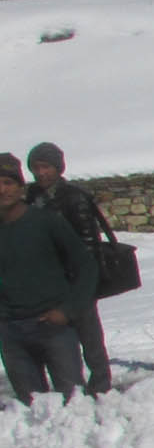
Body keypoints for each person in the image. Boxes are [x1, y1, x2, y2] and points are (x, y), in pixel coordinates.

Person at [0, 152, 97, 402]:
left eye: (8, 183)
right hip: (11, 333)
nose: (2, 190)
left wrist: (68, 310)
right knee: (32, 413)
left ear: (21, 187)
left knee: (73, 404)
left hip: (53, 326)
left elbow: (86, 265)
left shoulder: (46, 221)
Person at [23, 142, 114, 393]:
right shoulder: (31, 198)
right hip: (49, 282)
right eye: (35, 167)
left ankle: (101, 385)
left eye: (46, 167)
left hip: (77, 281)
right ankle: (71, 387)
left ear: (58, 168)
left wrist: (83, 280)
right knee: (60, 339)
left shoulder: (74, 197)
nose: (40, 173)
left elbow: (88, 243)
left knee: (90, 337)